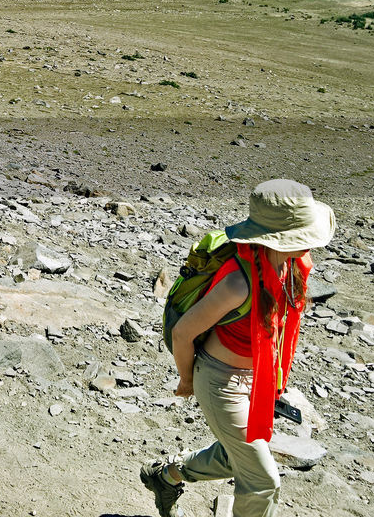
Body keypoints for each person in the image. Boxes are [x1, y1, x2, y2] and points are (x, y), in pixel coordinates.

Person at [141, 179, 336, 517]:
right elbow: (183, 334)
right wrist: (187, 381)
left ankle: (167, 475)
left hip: (256, 380)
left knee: (238, 457)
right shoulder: (237, 282)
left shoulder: (288, 264)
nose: (310, 246)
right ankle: (168, 476)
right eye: (304, 236)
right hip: (220, 384)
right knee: (263, 480)